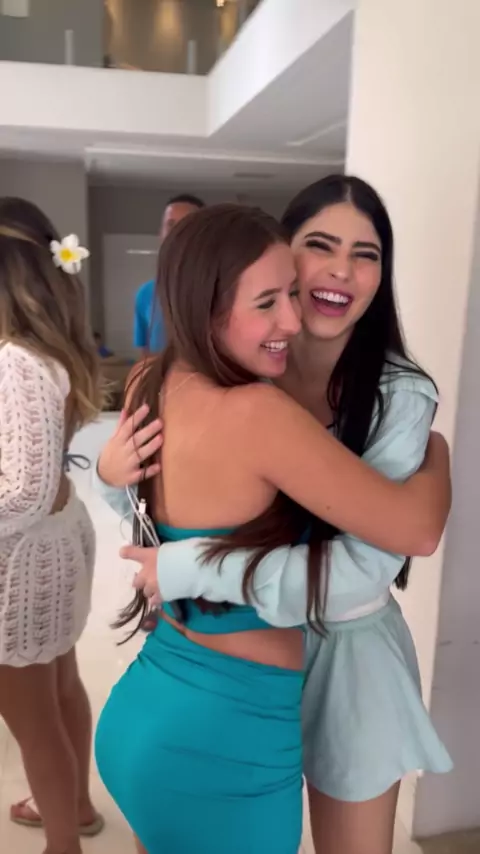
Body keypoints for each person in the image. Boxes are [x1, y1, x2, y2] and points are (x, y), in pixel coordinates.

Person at [98, 178, 454, 854]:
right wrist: (112, 477)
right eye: (321, 246)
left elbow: (375, 560)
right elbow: (160, 507)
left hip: (345, 657)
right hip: (227, 669)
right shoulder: (245, 372)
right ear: (281, 256)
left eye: (367, 254)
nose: (342, 270)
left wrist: (191, 567)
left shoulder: (396, 393)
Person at [0, 199, 105, 854]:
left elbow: (21, 493)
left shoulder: (14, 361)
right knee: (60, 687)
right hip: (54, 544)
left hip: (21, 566)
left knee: (32, 719)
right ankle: (77, 807)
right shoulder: (45, 354)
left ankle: (61, 842)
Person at [133, 193, 205, 358]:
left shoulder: (224, 289)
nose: (178, 232)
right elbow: (145, 358)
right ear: (161, 233)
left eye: (187, 225)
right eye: (171, 225)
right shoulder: (145, 294)